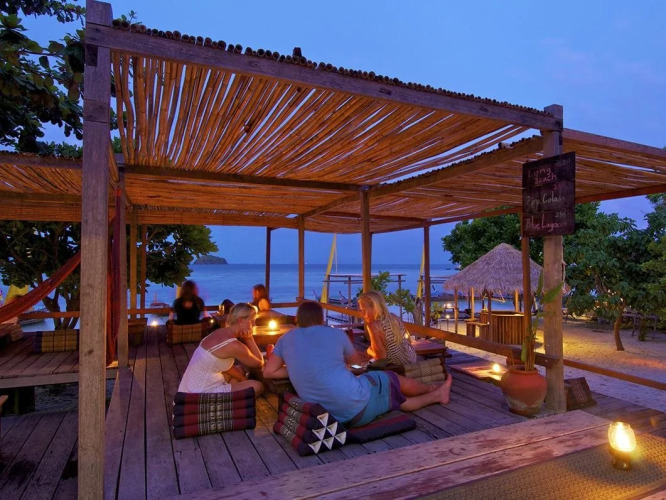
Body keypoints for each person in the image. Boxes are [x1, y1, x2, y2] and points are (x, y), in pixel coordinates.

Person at [263, 301, 451, 427]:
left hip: (326, 417)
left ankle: (437, 394)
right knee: (392, 379)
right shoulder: (335, 334)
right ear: (321, 319)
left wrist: (298, 369)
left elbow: (268, 372)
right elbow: (357, 366)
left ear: (298, 319)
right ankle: (433, 390)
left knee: (390, 396)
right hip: (354, 406)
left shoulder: (285, 339)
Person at [178, 303, 264, 396]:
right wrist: (249, 339)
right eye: (252, 320)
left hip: (190, 387)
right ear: (240, 320)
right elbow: (259, 363)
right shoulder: (234, 345)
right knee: (258, 386)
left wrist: (243, 379)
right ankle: (229, 401)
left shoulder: (219, 332)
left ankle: (232, 396)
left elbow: (225, 366)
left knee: (239, 370)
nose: (254, 324)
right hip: (201, 393)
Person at [358, 291, 417, 365]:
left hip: (398, 365)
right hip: (411, 359)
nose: (362, 314)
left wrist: (368, 351)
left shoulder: (373, 325)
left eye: (364, 310)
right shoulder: (394, 317)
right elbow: (407, 341)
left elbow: (381, 357)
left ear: (375, 308)